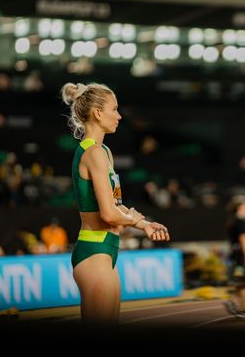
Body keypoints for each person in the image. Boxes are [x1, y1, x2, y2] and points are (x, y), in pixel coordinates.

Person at [61, 82, 170, 324]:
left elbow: (115, 204)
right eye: (114, 109)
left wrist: (144, 225)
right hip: (94, 252)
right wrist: (134, 220)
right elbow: (109, 215)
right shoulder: (94, 154)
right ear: (98, 113)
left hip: (107, 251)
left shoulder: (105, 152)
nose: (119, 116)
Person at [223, 197, 245, 318]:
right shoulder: (241, 221)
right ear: (240, 207)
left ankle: (242, 307)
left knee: (243, 282)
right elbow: (244, 239)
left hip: (236, 255)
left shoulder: (234, 221)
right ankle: (233, 302)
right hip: (242, 256)